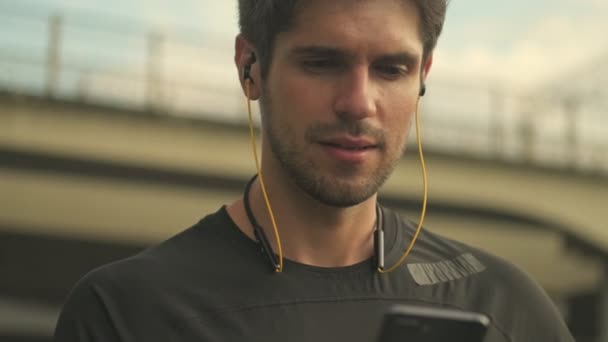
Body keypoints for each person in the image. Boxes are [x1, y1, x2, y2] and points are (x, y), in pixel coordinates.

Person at [54, 1, 575, 341]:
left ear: (423, 78)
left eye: (392, 69)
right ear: (250, 67)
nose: (358, 103)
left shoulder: (504, 307)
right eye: (322, 63)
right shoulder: (126, 313)